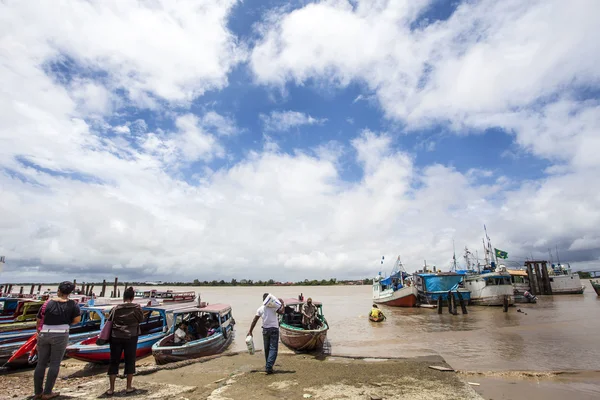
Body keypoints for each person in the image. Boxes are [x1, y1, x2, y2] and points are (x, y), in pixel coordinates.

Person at [34, 281, 81, 400]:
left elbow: (39, 320)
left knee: (41, 363)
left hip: (44, 333)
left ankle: (38, 392)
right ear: (70, 292)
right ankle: (47, 392)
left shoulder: (47, 303)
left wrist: (38, 333)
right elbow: (77, 320)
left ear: (58, 290)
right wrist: (67, 322)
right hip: (61, 334)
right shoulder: (73, 304)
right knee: (54, 363)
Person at [105, 287, 144, 396]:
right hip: (131, 336)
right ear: (132, 297)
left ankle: (111, 388)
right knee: (130, 360)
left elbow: (110, 320)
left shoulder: (115, 308)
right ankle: (128, 387)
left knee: (114, 361)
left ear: (123, 297)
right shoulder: (137, 308)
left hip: (116, 336)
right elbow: (141, 319)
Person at [248, 293, 285, 374]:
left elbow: (254, 320)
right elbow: (282, 312)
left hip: (265, 330)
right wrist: (282, 303)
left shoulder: (260, 309)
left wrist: (250, 331)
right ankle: (268, 367)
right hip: (274, 330)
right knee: (273, 349)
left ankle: (268, 366)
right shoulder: (274, 307)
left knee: (267, 348)